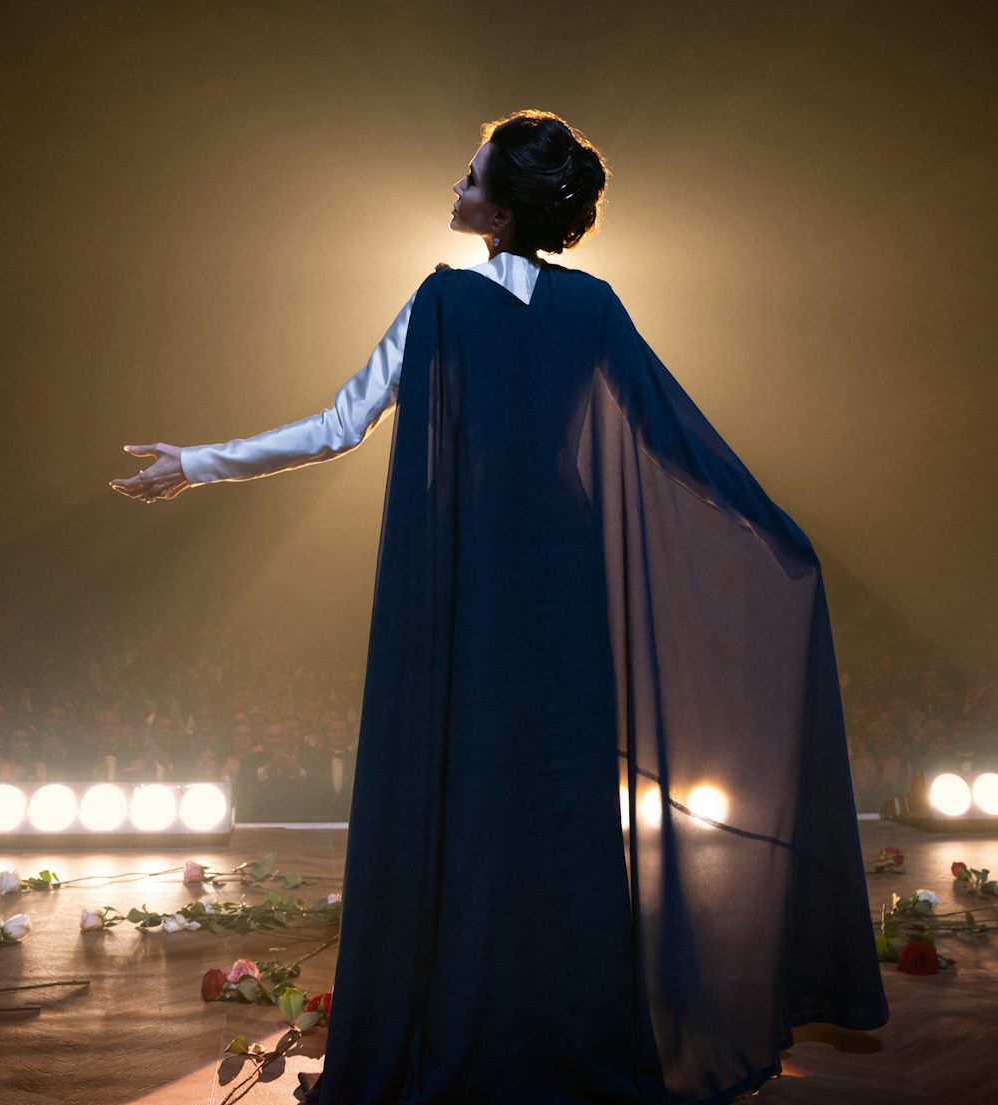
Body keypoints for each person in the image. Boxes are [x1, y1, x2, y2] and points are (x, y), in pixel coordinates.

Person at [110, 110, 887, 1103]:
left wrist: (198, 464)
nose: (454, 188)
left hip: (470, 562)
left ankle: (473, 1019)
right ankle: (567, 1028)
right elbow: (678, 441)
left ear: (502, 203)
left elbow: (337, 426)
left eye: (468, 176)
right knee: (559, 801)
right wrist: (777, 530)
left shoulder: (442, 302)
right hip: (562, 564)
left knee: (470, 793)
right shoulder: (594, 306)